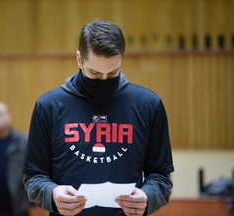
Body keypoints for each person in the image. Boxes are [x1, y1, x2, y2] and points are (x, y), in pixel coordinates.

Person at [23, 19, 174, 216]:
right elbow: (34, 177)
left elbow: (161, 177)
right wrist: (52, 193)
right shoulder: (49, 106)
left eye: (113, 73)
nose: (103, 80)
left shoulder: (148, 105)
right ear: (79, 60)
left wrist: (147, 196)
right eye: (94, 73)